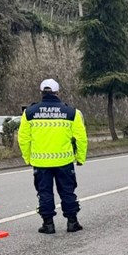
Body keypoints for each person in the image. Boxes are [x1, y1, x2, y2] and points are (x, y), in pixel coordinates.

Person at [18, 79, 88, 234]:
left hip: (40, 162)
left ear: (41, 93)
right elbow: (81, 138)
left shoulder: (29, 113)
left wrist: (27, 157)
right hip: (65, 161)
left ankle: (48, 224)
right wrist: (80, 158)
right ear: (58, 93)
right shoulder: (72, 113)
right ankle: (72, 222)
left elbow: (23, 138)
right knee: (67, 191)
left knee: (44, 193)